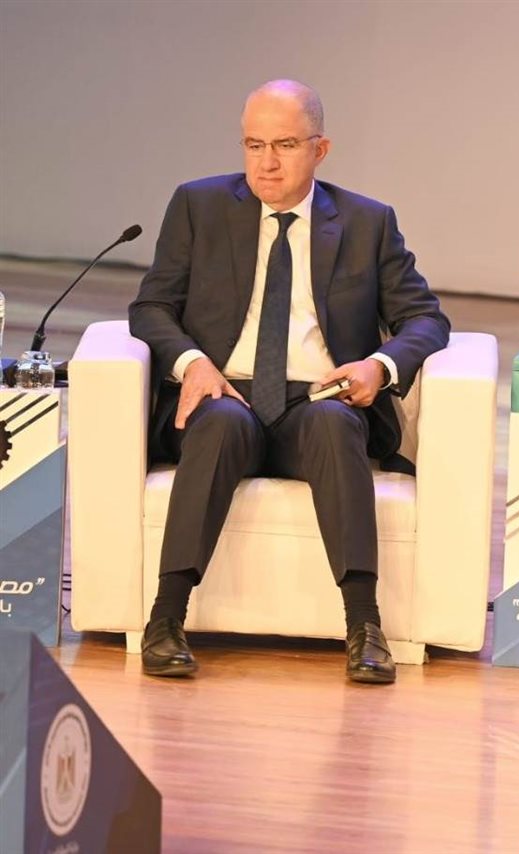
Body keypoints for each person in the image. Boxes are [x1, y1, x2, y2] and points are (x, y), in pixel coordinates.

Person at [129, 79, 450, 684]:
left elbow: (426, 320)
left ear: (319, 149)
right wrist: (192, 362)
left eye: (284, 145)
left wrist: (377, 367)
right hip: (227, 391)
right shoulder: (198, 206)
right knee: (219, 424)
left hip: (317, 399)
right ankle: (164, 620)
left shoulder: (367, 222)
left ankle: (364, 626)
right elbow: (151, 308)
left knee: (333, 425)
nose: (266, 163)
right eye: (254, 145)